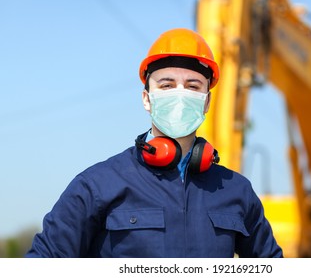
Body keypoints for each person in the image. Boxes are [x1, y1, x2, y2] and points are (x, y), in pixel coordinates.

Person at [26, 28, 283, 258]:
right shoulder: (96, 186)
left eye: (193, 86)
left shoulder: (236, 190)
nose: (180, 94)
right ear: (147, 99)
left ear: (206, 102)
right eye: (167, 85)